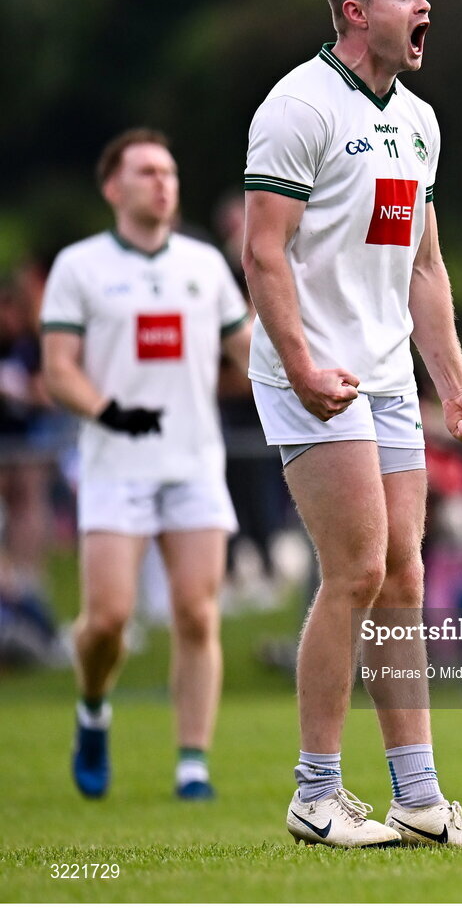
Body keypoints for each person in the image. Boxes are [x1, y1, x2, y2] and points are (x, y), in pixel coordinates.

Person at [243, 0, 462, 849]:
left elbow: (424, 267)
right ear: (356, 12)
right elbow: (262, 252)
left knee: (403, 576)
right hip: (309, 375)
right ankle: (315, 796)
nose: (423, 4)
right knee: (354, 570)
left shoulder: (420, 121)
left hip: (387, 375)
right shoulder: (298, 106)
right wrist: (304, 366)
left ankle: (420, 802)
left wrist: (456, 389)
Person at [40, 128, 251, 800]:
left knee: (196, 612)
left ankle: (193, 764)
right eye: (146, 172)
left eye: (169, 171)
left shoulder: (205, 265)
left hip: (193, 463)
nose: (163, 183)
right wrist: (109, 413)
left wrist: (305, 377)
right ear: (113, 188)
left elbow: (248, 354)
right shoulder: (79, 267)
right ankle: (93, 707)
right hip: (115, 466)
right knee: (107, 620)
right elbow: (57, 372)